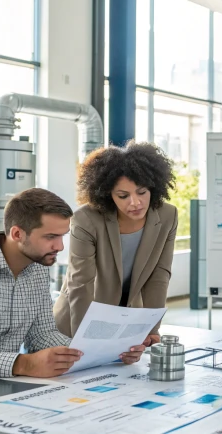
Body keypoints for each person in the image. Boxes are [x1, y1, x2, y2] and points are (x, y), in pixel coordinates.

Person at [0, 188, 145, 386]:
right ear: (18, 233)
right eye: (50, 236)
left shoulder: (37, 266)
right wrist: (23, 363)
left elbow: (42, 334)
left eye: (63, 236)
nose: (60, 247)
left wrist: (105, 353)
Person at [54, 141, 177, 345]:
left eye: (142, 192)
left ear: (153, 188)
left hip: (126, 324)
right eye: (123, 195)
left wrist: (151, 329)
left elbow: (159, 276)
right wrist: (82, 340)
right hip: (77, 322)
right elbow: (81, 283)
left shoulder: (167, 215)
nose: (135, 202)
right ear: (108, 195)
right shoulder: (86, 219)